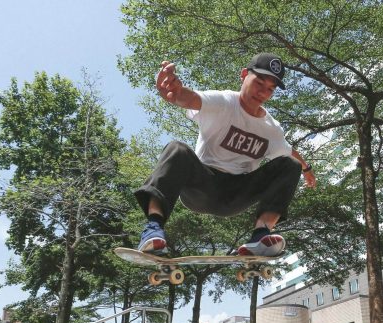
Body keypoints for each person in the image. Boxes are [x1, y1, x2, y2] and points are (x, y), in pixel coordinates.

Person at [134, 53, 316, 257]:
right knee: (177, 148)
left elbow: (289, 151)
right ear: (244, 75)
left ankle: (261, 235)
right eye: (259, 83)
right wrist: (175, 93)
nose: (262, 93)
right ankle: (153, 228)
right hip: (202, 186)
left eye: (270, 89)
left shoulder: (271, 129)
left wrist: (306, 169)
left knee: (290, 164)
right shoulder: (223, 102)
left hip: (237, 193)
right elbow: (191, 98)